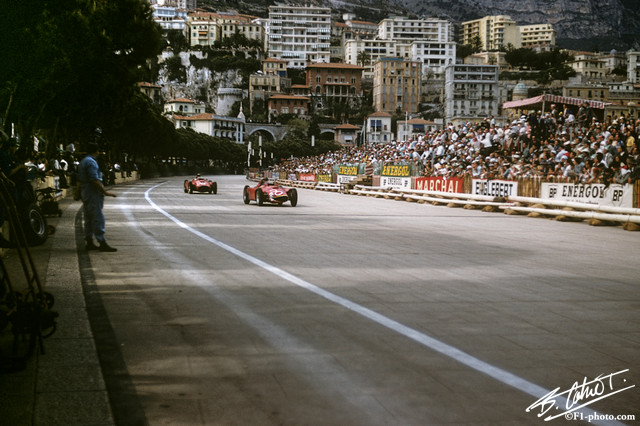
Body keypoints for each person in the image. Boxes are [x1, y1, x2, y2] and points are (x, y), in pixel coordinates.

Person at [77, 143, 117, 252]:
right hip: (92, 193)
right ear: (96, 151)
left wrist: (77, 192)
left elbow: (79, 180)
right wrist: (105, 192)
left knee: (88, 218)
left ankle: (89, 241)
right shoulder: (91, 162)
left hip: (85, 192)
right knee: (98, 217)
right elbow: (94, 180)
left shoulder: (83, 162)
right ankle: (102, 242)